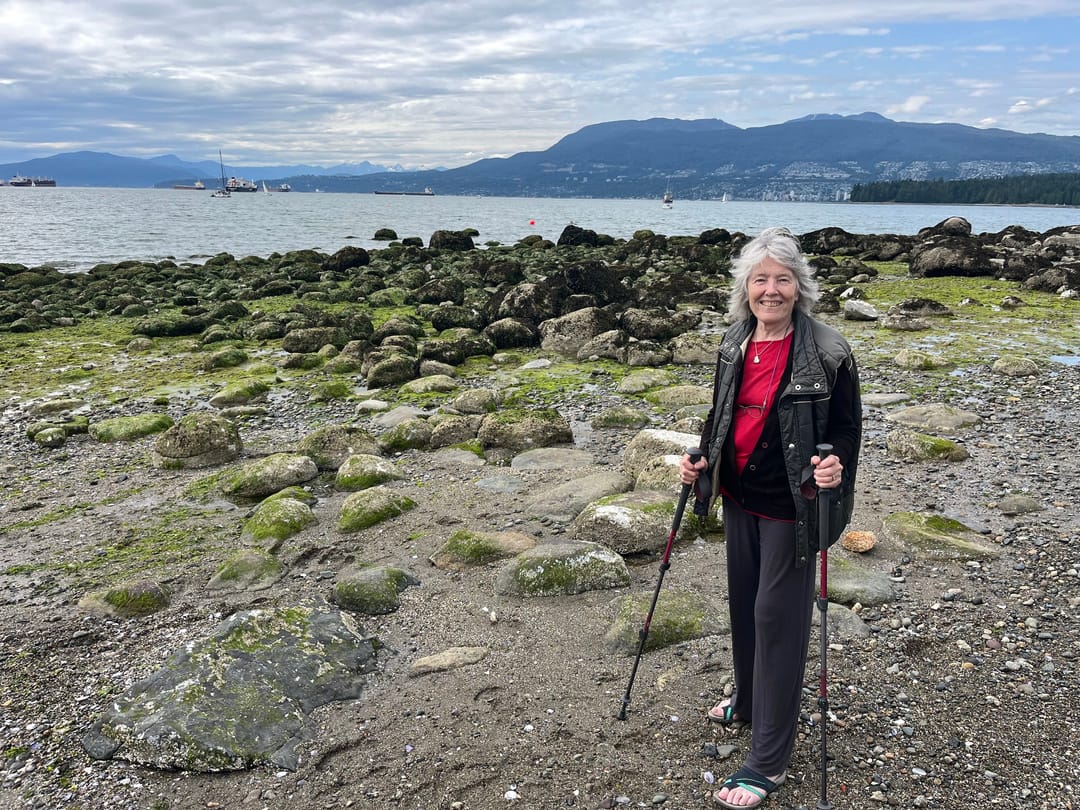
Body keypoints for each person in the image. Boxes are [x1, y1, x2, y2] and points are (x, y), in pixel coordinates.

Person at [679, 227, 862, 808]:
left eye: (782, 279)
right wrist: (702, 460)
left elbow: (845, 432)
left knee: (775, 620)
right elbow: (720, 412)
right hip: (739, 497)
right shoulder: (734, 342)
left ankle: (768, 760)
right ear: (746, 289)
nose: (771, 290)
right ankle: (751, 702)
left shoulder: (829, 351)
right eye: (761, 280)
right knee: (743, 607)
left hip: (792, 504)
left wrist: (832, 472)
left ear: (799, 287)